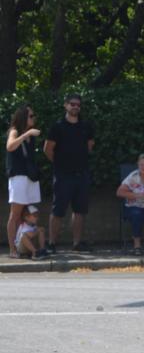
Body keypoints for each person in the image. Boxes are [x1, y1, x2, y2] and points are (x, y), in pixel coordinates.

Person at [43, 93, 95, 252]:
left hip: (82, 174)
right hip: (63, 175)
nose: (75, 107)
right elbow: (47, 149)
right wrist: (61, 164)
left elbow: (90, 146)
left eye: (78, 105)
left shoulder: (86, 126)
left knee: (80, 211)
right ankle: (52, 244)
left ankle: (77, 244)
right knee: (58, 210)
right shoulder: (57, 126)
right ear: (65, 105)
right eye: (72, 104)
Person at [6, 104, 46, 258]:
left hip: (30, 178)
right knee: (15, 214)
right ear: (23, 117)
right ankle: (12, 249)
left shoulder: (30, 136)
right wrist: (25, 134)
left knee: (29, 212)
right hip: (19, 177)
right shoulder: (15, 131)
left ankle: (26, 247)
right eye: (31, 115)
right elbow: (10, 146)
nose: (33, 118)